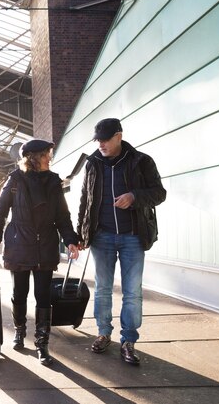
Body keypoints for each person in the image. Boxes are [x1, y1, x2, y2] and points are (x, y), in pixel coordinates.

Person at [77, 118, 166, 365]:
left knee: (132, 292)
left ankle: (128, 341)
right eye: (98, 140)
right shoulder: (92, 163)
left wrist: (134, 196)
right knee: (103, 289)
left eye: (105, 139)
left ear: (119, 136)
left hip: (133, 237)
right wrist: (81, 234)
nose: (101, 144)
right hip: (101, 237)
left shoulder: (142, 161)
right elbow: (85, 199)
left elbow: (160, 193)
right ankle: (104, 333)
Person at [0, 139, 80, 366]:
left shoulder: (53, 181)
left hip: (45, 245)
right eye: (47, 154)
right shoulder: (15, 180)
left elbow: (62, 215)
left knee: (43, 296)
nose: (50, 158)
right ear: (33, 157)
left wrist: (70, 240)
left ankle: (42, 343)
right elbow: (0, 211)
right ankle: (20, 330)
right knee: (19, 293)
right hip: (20, 243)